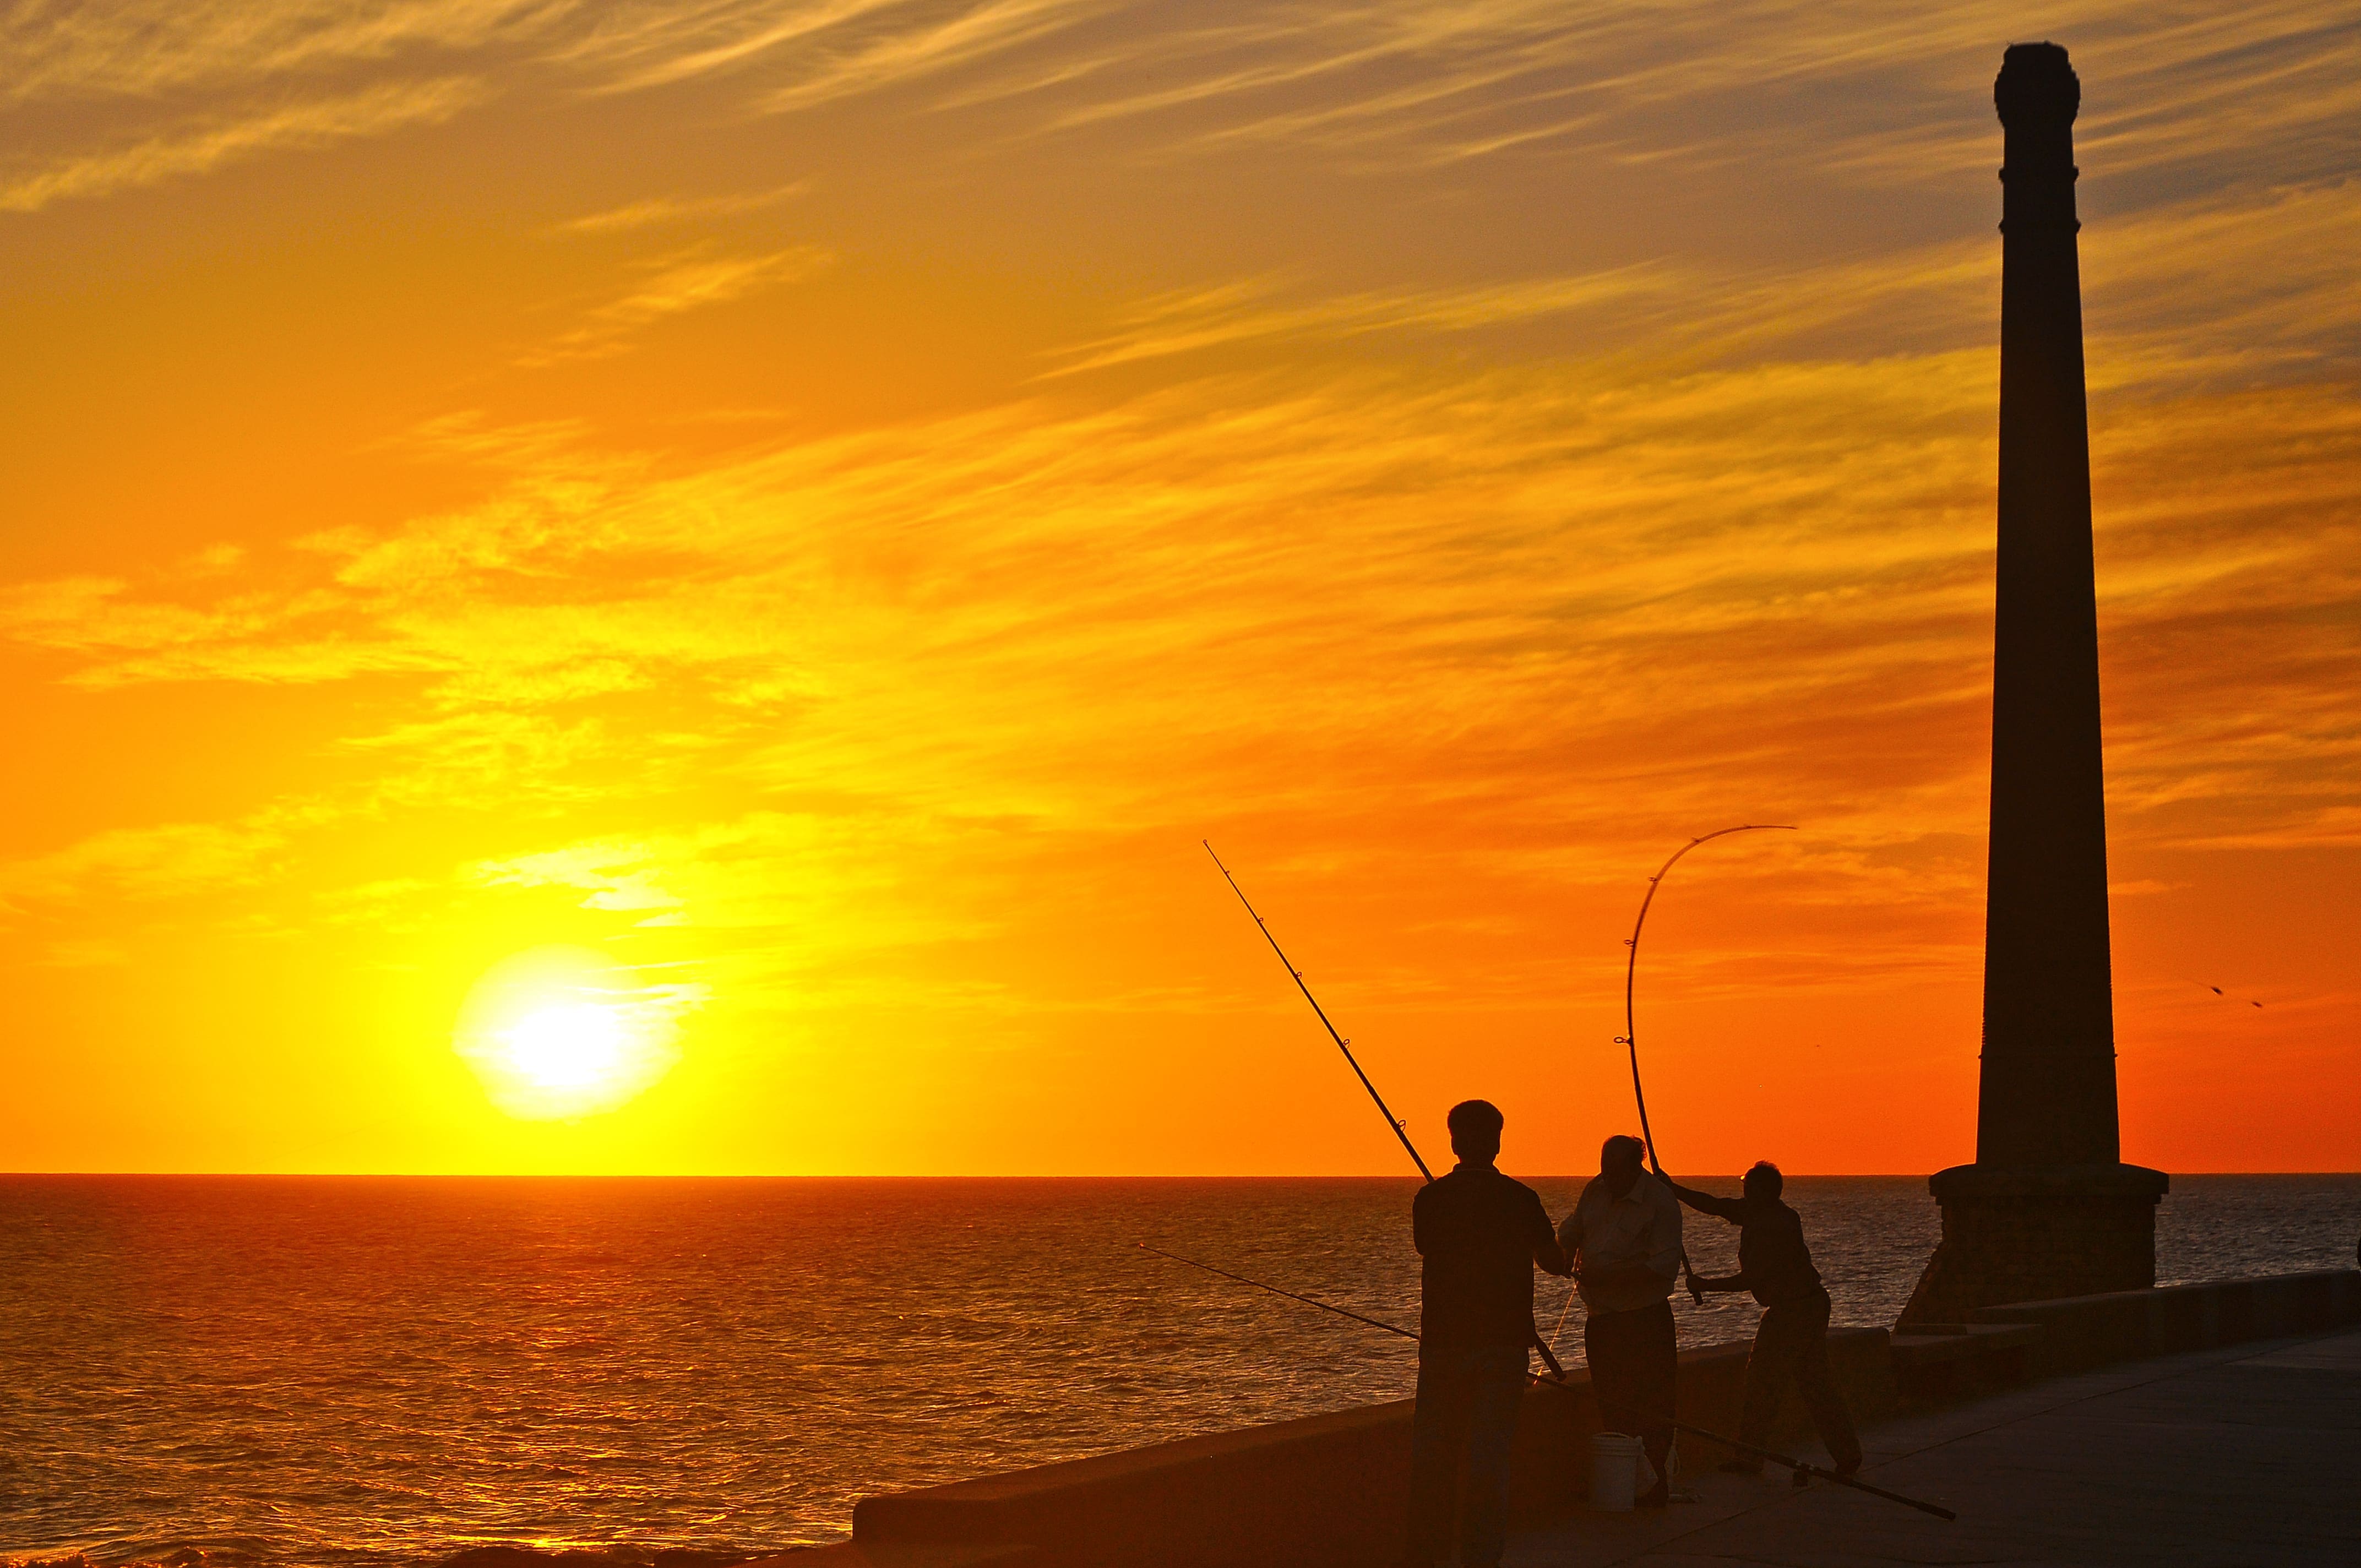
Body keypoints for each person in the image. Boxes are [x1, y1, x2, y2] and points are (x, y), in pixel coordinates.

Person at [1403, 1099, 1571, 1568]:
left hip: (1442, 1345)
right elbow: (1552, 1261)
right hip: (1503, 1345)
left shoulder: (1430, 1200)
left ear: (1454, 1141)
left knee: (1433, 1457)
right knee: (1489, 1458)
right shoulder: (1521, 1199)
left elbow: (1426, 1246)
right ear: (1497, 1141)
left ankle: (1427, 1556)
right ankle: (1481, 1559)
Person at [1661, 1161, 1862, 1478]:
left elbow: (1751, 1279)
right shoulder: (1770, 1214)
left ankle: (1749, 1458)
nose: (1742, 1192)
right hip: (1808, 1306)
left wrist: (1704, 1285)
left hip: (1792, 1312)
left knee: (1763, 1383)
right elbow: (1715, 1206)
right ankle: (1848, 1454)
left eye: (1747, 1187)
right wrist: (1673, 1189)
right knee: (1815, 1382)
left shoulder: (1771, 1226)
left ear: (1757, 1192)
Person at [1558, 1134, 1682, 1505]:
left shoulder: (1660, 1203)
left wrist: (1608, 1277)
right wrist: (1564, 1252)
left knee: (1652, 1407)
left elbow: (1662, 1268)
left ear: (1635, 1166)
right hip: (1602, 1320)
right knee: (1611, 1402)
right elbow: (1572, 1229)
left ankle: (1654, 1485)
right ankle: (1622, 1483)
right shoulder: (1596, 1190)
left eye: (1614, 1172)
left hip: (1644, 1320)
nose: (1606, 1179)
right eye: (1603, 1170)